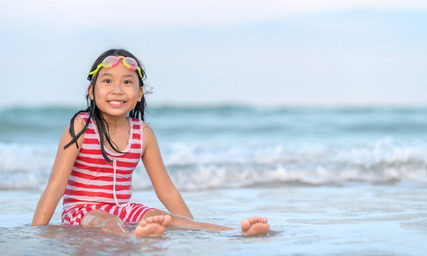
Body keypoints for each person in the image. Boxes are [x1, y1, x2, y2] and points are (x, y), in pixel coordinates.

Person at [32, 48, 270, 238]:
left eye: (127, 82)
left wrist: (189, 227)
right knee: (108, 222)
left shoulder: (142, 133)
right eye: (107, 81)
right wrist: (35, 233)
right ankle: (132, 239)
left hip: (124, 209)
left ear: (139, 94)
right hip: (82, 212)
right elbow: (55, 186)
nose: (117, 90)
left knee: (166, 218)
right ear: (91, 91)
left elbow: (165, 189)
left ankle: (235, 233)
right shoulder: (81, 127)